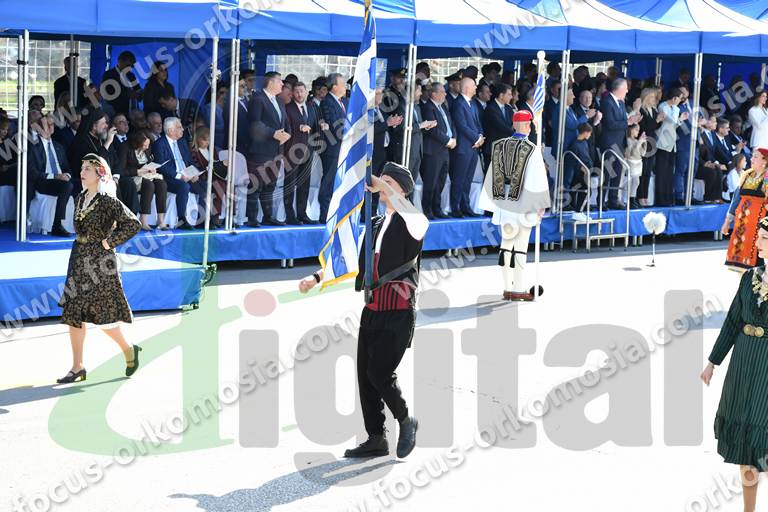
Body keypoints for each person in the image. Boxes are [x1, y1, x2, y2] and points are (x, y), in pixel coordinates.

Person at [298, 163, 425, 459]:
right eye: (382, 180)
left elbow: (411, 215)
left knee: (380, 373)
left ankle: (406, 420)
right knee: (365, 377)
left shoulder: (414, 221)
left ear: (403, 189)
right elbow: (349, 258)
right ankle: (376, 438)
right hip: (372, 310)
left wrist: (381, 182)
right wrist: (316, 277)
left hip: (398, 310)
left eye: (389, 181)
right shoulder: (376, 224)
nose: (380, 185)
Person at [701, 216, 768, 512]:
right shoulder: (749, 277)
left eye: (764, 238)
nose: (757, 242)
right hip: (743, 363)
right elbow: (732, 321)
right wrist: (712, 362)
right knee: (745, 445)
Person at [56, 154, 142, 384]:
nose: (82, 172)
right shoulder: (81, 197)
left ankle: (129, 349)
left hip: (100, 263)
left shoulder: (107, 201)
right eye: (82, 167)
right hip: (78, 259)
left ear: (99, 174)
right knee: (74, 313)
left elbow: (133, 224)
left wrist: (108, 242)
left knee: (104, 317)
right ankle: (77, 367)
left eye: (88, 169)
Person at [479, 110, 551, 301]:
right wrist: (541, 204)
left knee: (506, 245)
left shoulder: (499, 146)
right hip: (523, 203)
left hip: (504, 203)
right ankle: (518, 288)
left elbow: (492, 177)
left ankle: (507, 288)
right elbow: (537, 178)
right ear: (527, 125)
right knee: (520, 247)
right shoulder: (532, 149)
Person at [247, 71, 291, 227]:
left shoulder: (279, 101)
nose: (282, 84)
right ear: (271, 82)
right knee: (256, 184)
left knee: (270, 185)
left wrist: (287, 134)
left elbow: (285, 122)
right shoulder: (258, 99)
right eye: (280, 81)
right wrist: (273, 133)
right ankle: (252, 218)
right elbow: (255, 124)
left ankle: (268, 216)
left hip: (276, 150)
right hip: (260, 150)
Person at [153, 117, 207, 230]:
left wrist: (194, 173)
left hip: (187, 175)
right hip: (170, 178)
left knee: (205, 185)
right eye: (179, 127)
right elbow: (161, 166)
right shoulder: (159, 144)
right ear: (171, 130)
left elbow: (190, 161)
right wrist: (180, 176)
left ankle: (203, 219)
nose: (183, 129)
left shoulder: (182, 142)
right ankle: (182, 219)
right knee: (184, 186)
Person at [27, 113, 75, 237]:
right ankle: (57, 225)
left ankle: (85, 223)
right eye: (46, 125)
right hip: (43, 181)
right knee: (67, 186)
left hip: (61, 180)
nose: (50, 127)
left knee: (85, 184)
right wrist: (55, 176)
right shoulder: (33, 146)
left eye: (52, 124)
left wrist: (67, 175)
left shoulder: (58, 146)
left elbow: (67, 167)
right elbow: (32, 173)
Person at [722, 148, 768, 269]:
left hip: (758, 224)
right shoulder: (746, 175)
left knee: (756, 255)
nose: (751, 159)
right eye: (752, 156)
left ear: (765, 161)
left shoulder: (767, 177)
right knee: (739, 262)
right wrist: (727, 221)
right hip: (742, 224)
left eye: (756, 157)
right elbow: (736, 199)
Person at [600, 78, 641, 209]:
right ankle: (601, 201)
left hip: (620, 143)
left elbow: (623, 121)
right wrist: (628, 122)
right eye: (626, 88)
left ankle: (613, 199)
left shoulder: (621, 103)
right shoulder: (606, 101)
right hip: (609, 143)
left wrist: (631, 120)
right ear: (619, 89)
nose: (627, 91)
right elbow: (610, 123)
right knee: (607, 173)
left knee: (618, 173)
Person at [284, 81, 321, 224]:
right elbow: (285, 127)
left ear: (306, 92)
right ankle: (290, 216)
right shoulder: (288, 108)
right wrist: (298, 128)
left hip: (308, 152)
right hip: (291, 152)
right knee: (289, 185)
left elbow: (315, 128)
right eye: (297, 91)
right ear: (293, 93)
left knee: (304, 185)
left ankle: (302, 214)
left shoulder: (311, 108)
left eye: (301, 91)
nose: (299, 94)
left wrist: (322, 126)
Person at [118, 129, 169, 230]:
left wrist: (151, 169)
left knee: (161, 184)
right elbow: (121, 170)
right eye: (144, 145)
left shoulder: (147, 149)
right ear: (137, 143)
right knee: (149, 185)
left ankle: (160, 220)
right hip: (131, 177)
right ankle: (143, 220)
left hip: (145, 175)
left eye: (148, 145)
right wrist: (137, 171)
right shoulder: (125, 147)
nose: (147, 147)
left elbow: (148, 162)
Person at [449, 77, 485, 218]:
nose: (476, 88)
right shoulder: (458, 103)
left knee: (468, 180)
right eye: (474, 85)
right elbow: (461, 125)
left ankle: (466, 206)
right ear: (467, 88)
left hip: (473, 147)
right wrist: (477, 138)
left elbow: (477, 123)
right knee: (459, 179)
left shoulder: (473, 103)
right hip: (463, 148)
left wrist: (480, 136)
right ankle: (455, 208)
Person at [421, 82, 455, 219]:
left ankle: (437, 208)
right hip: (433, 151)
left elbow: (450, 124)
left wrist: (454, 138)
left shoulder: (443, 107)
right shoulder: (428, 108)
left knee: (441, 181)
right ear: (434, 94)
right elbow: (432, 130)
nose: (445, 94)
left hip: (444, 150)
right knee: (431, 182)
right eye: (442, 92)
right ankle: (427, 210)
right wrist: (448, 140)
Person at [319, 73, 348, 223]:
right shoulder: (327, 102)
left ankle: (335, 214)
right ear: (334, 86)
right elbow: (333, 125)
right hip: (332, 150)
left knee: (339, 183)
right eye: (342, 84)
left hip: (343, 149)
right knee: (328, 183)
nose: (345, 87)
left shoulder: (344, 102)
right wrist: (350, 134)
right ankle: (325, 215)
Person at [655, 88, 688, 207]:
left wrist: (680, 119)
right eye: (679, 98)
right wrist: (678, 116)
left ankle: (669, 198)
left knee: (669, 172)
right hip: (663, 142)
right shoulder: (663, 106)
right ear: (674, 98)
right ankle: (661, 199)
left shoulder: (676, 108)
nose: (680, 101)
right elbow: (671, 120)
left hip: (672, 143)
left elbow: (674, 124)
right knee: (662, 172)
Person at [190, 126, 227, 228]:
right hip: (201, 178)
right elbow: (196, 167)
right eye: (205, 140)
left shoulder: (211, 149)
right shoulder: (193, 152)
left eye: (209, 140)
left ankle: (216, 216)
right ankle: (206, 218)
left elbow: (216, 163)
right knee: (212, 187)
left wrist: (221, 165)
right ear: (198, 139)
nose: (207, 143)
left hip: (213, 176)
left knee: (222, 185)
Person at [482, 83, 515, 174]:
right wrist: (517, 135)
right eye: (509, 94)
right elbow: (501, 126)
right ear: (501, 95)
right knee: (491, 177)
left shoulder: (508, 108)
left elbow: (513, 124)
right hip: (493, 149)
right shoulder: (491, 108)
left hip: (505, 149)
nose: (511, 97)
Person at [101, 51, 142, 117]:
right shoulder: (108, 75)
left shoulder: (131, 75)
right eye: (128, 65)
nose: (130, 68)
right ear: (120, 62)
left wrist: (139, 94)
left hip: (133, 114)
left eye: (132, 66)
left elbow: (138, 89)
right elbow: (107, 96)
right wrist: (127, 95)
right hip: (116, 114)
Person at [568, 123, 595, 212]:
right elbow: (573, 159)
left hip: (587, 170)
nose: (590, 135)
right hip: (580, 172)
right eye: (590, 133)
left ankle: (579, 209)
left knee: (583, 190)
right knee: (586, 190)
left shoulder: (584, 143)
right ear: (585, 132)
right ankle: (578, 210)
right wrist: (580, 168)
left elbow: (586, 156)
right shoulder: (575, 144)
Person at [625, 124, 646, 209]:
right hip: (631, 163)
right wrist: (639, 143)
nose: (638, 132)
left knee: (637, 182)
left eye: (638, 130)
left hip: (638, 163)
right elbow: (631, 153)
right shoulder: (628, 140)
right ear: (631, 130)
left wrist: (644, 143)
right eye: (636, 130)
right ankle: (630, 200)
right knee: (632, 182)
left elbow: (643, 153)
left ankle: (633, 199)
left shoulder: (637, 141)